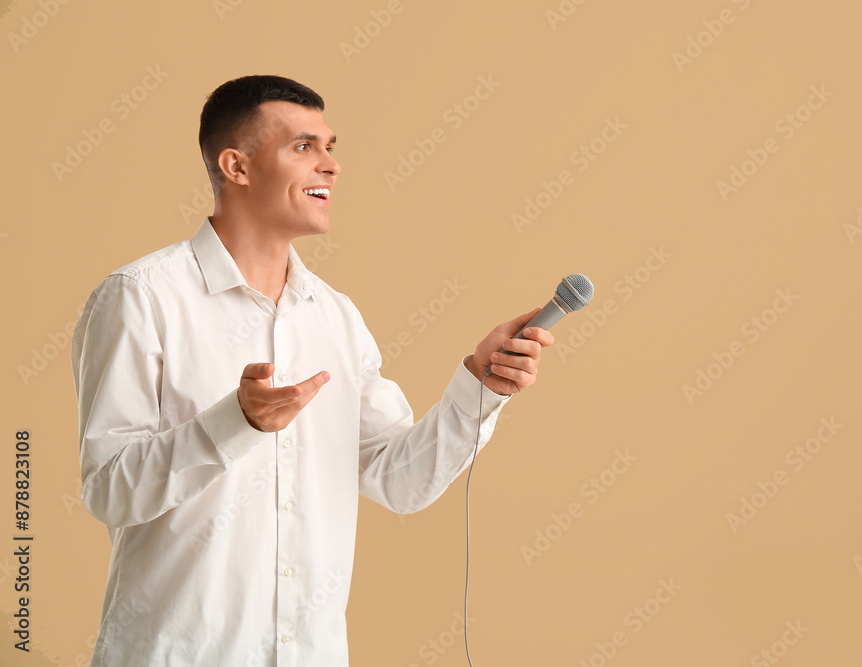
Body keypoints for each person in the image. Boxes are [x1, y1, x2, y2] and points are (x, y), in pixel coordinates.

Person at [70, 74, 554, 667]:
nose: (331, 165)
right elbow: (108, 490)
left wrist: (479, 385)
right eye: (304, 147)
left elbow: (399, 480)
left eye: (330, 146)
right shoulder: (140, 298)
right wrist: (233, 424)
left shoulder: (337, 319)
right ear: (236, 167)